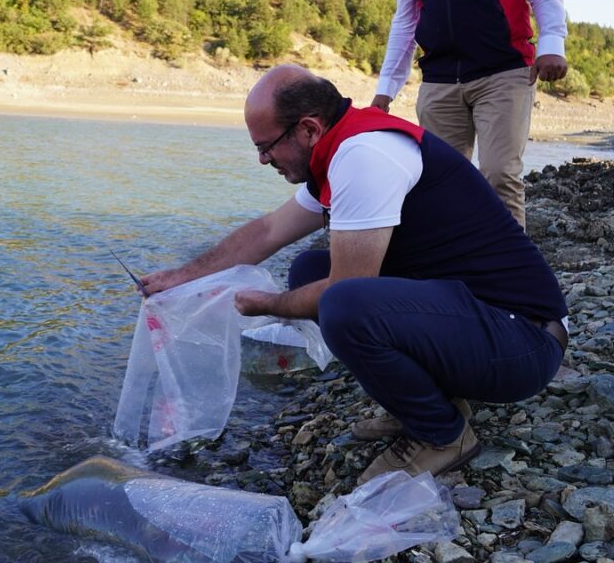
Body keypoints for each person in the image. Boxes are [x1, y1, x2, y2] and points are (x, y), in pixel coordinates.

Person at [142, 64, 568, 483]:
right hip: (485, 323)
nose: (261, 159)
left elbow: (344, 291)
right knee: (310, 268)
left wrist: (267, 306)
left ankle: (442, 435)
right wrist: (183, 276)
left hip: (524, 344)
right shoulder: (341, 147)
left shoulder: (365, 156)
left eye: (266, 146)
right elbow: (269, 230)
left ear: (308, 129)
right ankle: (436, 402)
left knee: (342, 303)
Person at [369, 0, 567, 229]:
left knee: (498, 176)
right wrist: (385, 91)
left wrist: (552, 44)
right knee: (441, 182)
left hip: (504, 73)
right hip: (439, 83)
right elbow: (405, 22)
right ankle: (457, 268)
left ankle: (511, 280)